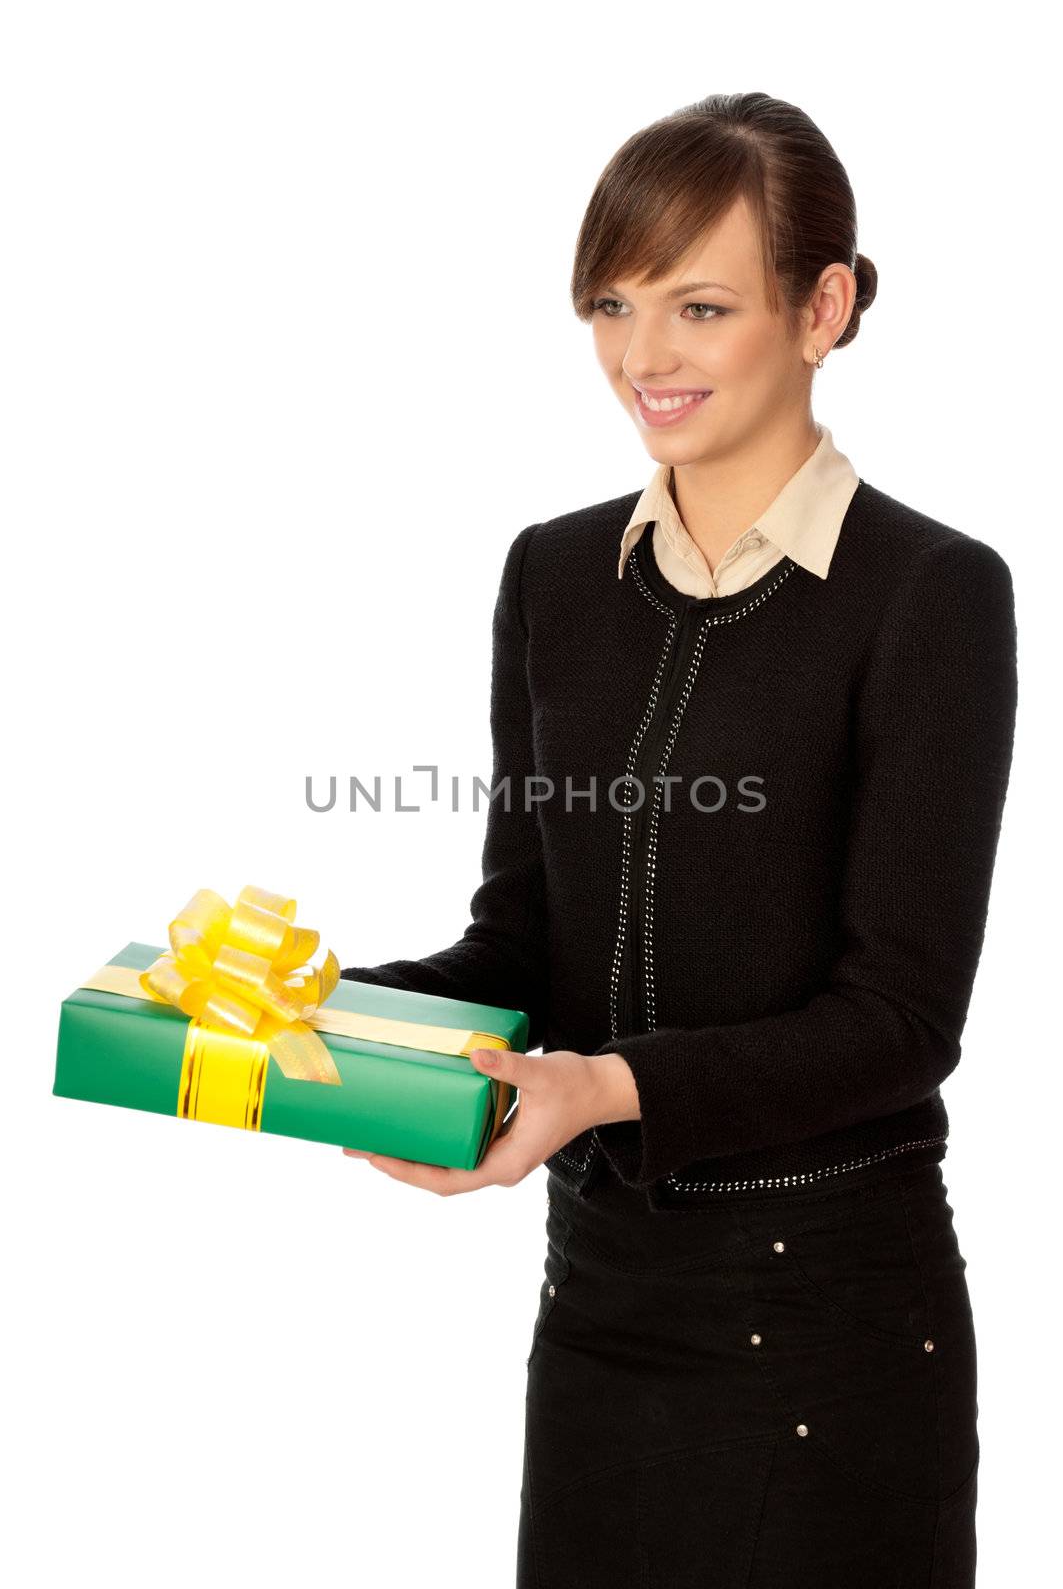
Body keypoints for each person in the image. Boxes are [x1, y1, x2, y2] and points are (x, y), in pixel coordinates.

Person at [340, 91, 1017, 1586]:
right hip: (603, 1302)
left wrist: (604, 1087)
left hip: (831, 1322)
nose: (643, 358)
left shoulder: (932, 595)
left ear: (822, 306)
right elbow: (523, 935)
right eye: (614, 304)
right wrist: (323, 1017)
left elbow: (899, 1019)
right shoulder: (557, 576)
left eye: (700, 306)